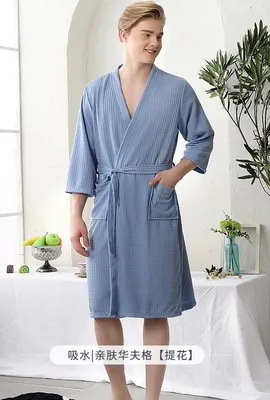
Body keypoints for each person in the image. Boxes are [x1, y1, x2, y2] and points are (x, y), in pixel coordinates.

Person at [65, 2, 214, 399]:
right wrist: (76, 215)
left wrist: (175, 174)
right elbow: (83, 158)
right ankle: (120, 392)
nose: (155, 43)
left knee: (156, 307)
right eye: (147, 34)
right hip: (109, 206)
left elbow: (202, 138)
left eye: (159, 35)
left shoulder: (176, 90)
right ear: (124, 35)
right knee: (103, 306)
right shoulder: (95, 92)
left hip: (153, 203)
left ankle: (152, 397)